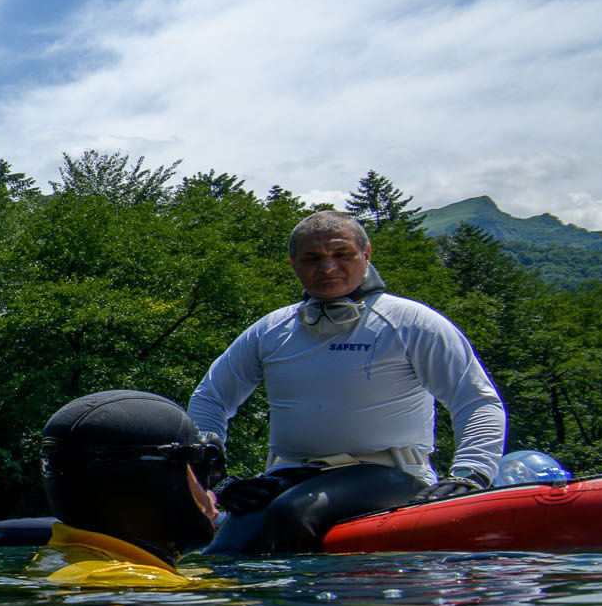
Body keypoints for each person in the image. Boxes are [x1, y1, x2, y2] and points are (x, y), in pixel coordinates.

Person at [188, 210, 506, 554]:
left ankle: (301, 605)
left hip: (391, 474)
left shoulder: (412, 322)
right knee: (223, 552)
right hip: (291, 477)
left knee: (294, 513)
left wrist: (470, 475)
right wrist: (214, 475)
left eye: (342, 255)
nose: (327, 268)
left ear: (366, 256)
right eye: (312, 258)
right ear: (293, 264)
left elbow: (475, 400)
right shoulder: (270, 330)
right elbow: (211, 398)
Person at [30, 389, 224, 584]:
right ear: (153, 480)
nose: (212, 495)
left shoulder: (63, 562)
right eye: (201, 469)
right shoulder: (131, 583)